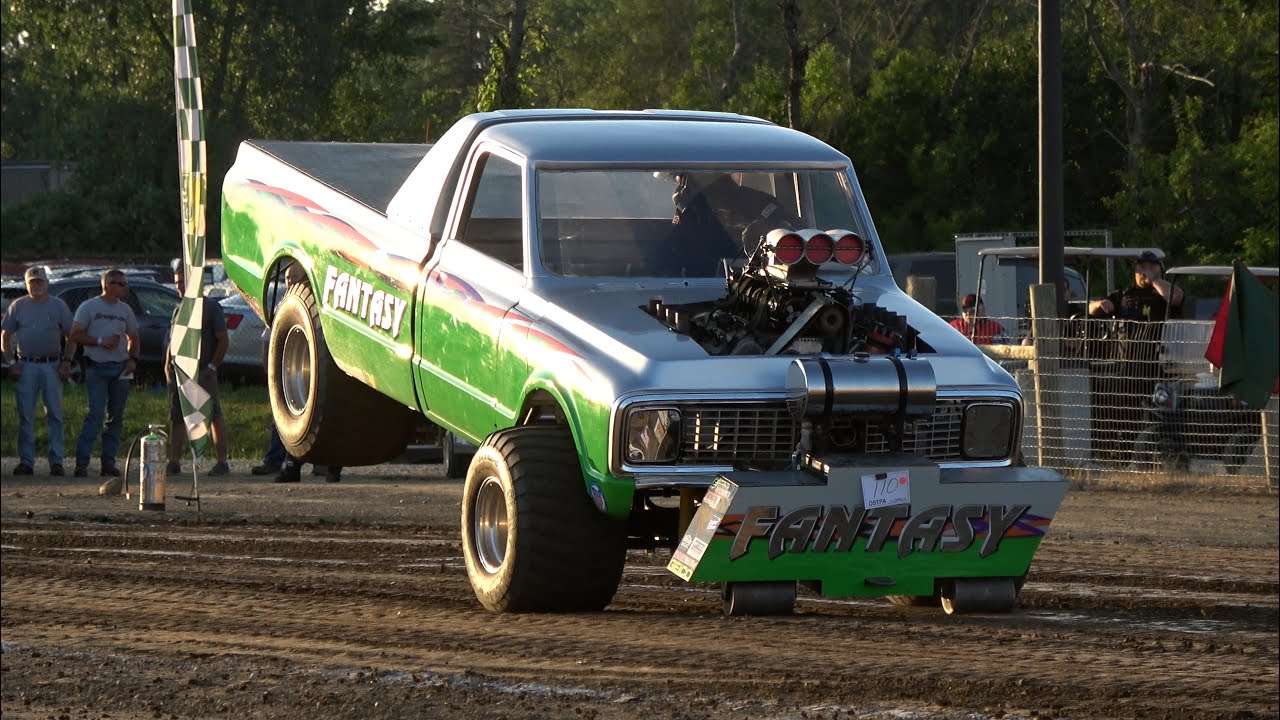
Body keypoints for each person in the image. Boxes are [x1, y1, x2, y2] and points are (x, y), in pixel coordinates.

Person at [1087, 250, 1184, 465]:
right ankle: (1117, 458)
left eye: (1151, 266)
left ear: (1160, 269)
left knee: (1151, 415)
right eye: (1142, 267)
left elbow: (1176, 297)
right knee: (1121, 413)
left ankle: (1153, 458)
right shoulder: (1124, 294)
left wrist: (1155, 280)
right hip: (1125, 366)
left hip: (1154, 368)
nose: (1145, 270)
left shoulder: (1163, 293)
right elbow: (1091, 309)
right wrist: (1101, 305)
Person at [1, 266, 78, 476]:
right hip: (26, 365)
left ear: (47, 283)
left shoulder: (58, 305)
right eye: (32, 282)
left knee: (55, 414)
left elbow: (72, 336)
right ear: (26, 285)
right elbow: (5, 336)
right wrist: (11, 362)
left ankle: (57, 461)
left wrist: (67, 362)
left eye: (40, 282)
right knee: (25, 415)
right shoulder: (18, 306)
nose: (36, 286)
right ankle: (26, 461)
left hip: (52, 365)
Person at [69, 269, 141, 478]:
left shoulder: (125, 309)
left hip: (120, 369)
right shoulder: (89, 307)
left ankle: (108, 463)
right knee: (95, 415)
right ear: (107, 285)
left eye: (125, 284)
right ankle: (82, 463)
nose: (124, 288)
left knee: (116, 417)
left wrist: (133, 360)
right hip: (97, 367)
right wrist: (101, 342)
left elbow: (134, 336)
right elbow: (75, 335)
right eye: (121, 284)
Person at [164, 261, 231, 476]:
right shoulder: (178, 309)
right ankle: (174, 461)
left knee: (213, 415)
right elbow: (173, 339)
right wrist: (168, 364)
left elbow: (222, 340)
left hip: (203, 371)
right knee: (178, 416)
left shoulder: (210, 307)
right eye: (177, 282)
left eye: (183, 281)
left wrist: (212, 366)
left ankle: (221, 461)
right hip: (180, 372)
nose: (179, 286)